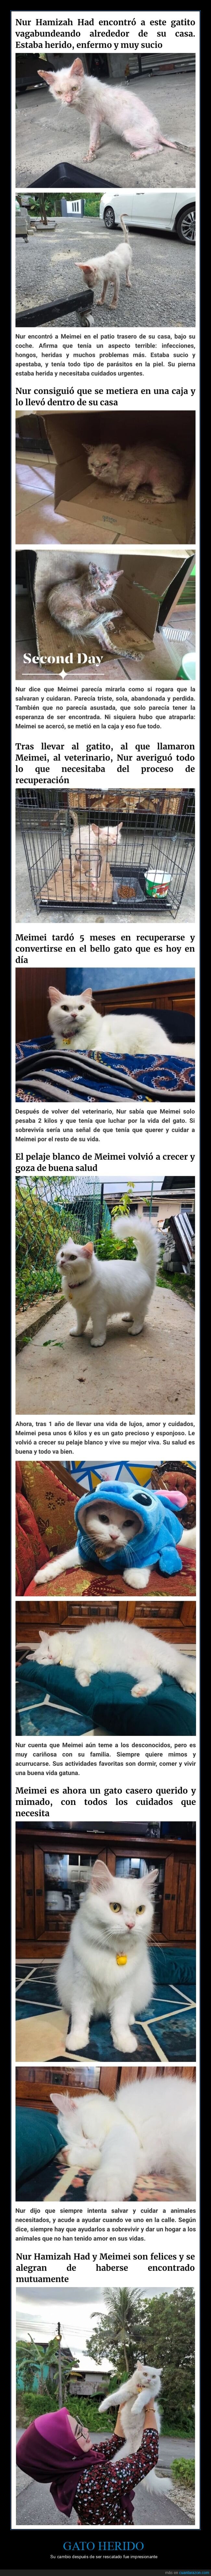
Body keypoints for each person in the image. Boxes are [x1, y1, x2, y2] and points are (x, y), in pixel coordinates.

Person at [16, 2398, 159, 2525]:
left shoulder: (74, 2462)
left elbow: (114, 2445)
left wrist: (123, 2407)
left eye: (80, 2425)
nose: (86, 2430)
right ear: (63, 2449)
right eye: (79, 2433)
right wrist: (150, 2407)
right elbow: (148, 2456)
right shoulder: (93, 2481)